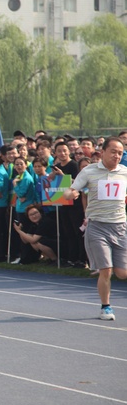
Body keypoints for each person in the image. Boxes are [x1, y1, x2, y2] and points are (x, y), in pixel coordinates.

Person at [64, 137, 127, 321]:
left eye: (120, 153)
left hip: (120, 227)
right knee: (106, 270)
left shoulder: (124, 172)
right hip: (97, 226)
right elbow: (72, 189)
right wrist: (71, 193)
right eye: (113, 152)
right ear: (103, 152)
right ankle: (106, 307)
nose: (117, 156)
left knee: (122, 273)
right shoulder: (89, 171)